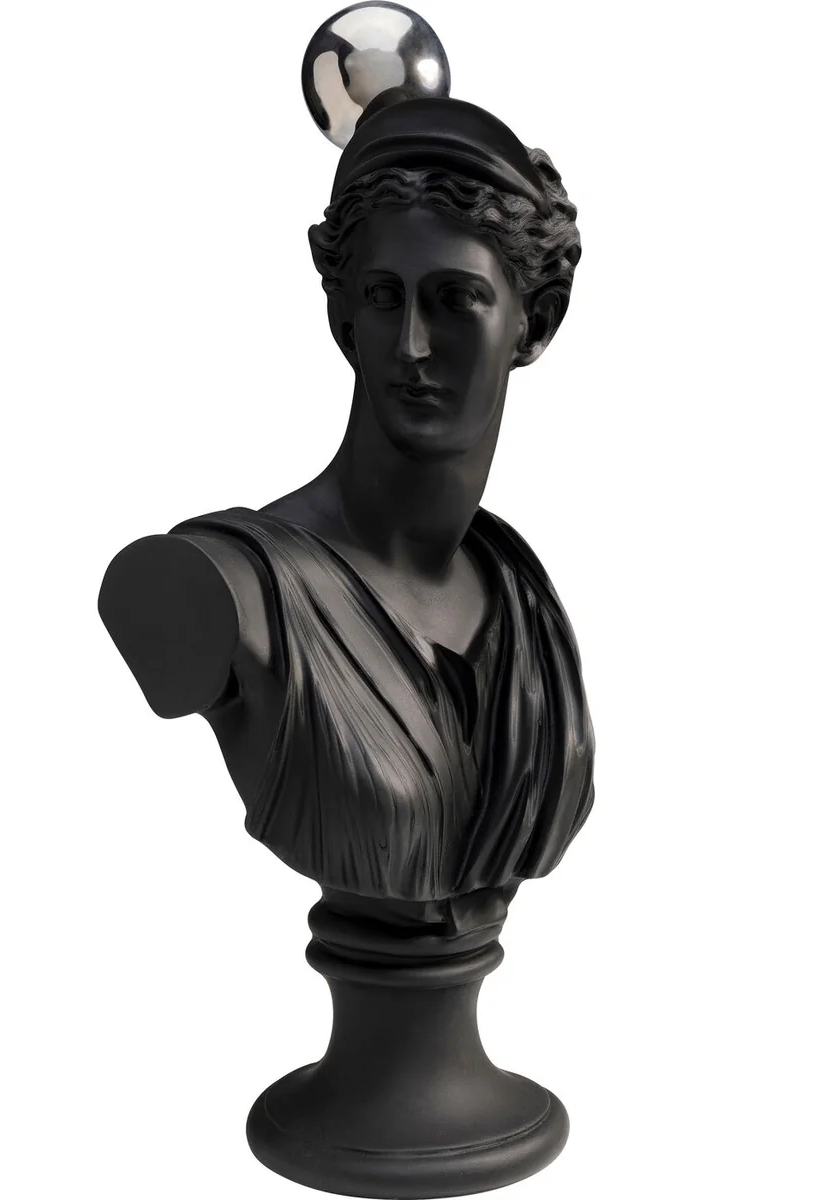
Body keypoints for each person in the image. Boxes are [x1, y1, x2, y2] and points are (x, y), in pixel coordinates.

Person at [99, 95, 594, 926]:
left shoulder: (522, 599)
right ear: (344, 320)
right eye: (383, 296)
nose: (411, 344)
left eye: (454, 299)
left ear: (534, 323)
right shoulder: (223, 585)